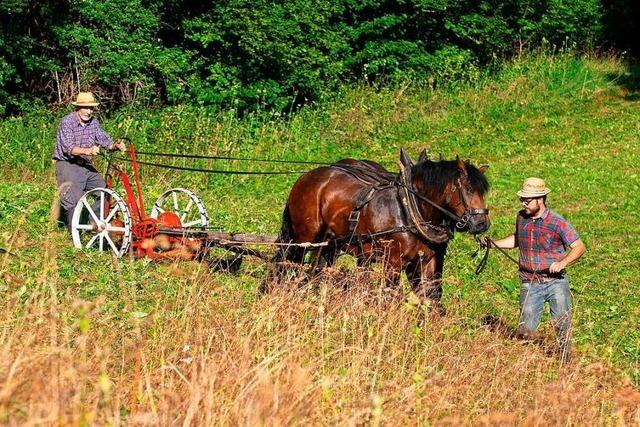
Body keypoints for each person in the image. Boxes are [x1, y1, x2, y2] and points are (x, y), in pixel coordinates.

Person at [485, 177, 585, 362]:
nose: (523, 203)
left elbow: (579, 247)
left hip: (556, 283)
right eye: (522, 199)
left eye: (527, 200)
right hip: (530, 283)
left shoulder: (557, 222)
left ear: (540, 199)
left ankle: (565, 363)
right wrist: (494, 244)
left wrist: (562, 263)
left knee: (562, 326)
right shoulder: (521, 218)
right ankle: (525, 364)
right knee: (526, 329)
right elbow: (517, 239)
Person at [52, 92, 126, 230]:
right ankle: (75, 233)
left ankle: (93, 224)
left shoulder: (93, 123)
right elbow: (69, 149)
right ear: (78, 108)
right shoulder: (67, 122)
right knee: (75, 199)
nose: (88, 111)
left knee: (104, 191)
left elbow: (104, 139)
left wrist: (114, 145)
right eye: (85, 108)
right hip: (68, 164)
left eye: (91, 108)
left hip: (85, 165)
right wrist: (88, 150)